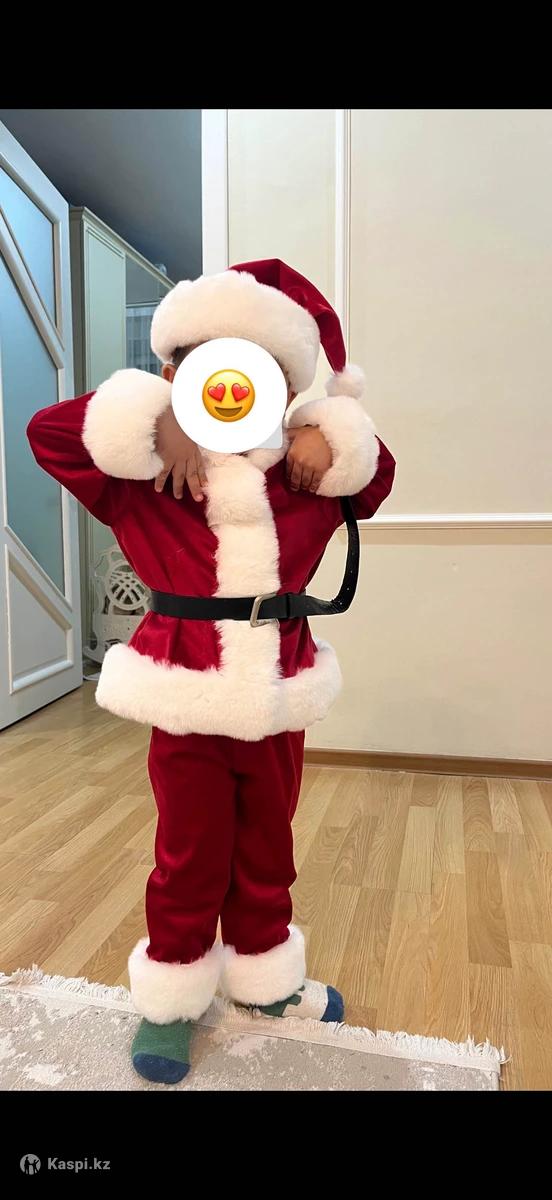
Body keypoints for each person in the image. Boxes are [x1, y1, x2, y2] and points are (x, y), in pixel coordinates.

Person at [27, 259, 396, 1084]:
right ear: (174, 374)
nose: (228, 387)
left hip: (277, 696)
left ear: (283, 387)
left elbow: (378, 471)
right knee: (189, 853)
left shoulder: (304, 480)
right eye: (201, 367)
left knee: (269, 847)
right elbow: (49, 432)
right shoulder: (146, 480)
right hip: (186, 697)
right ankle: (171, 1001)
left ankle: (267, 981)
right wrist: (153, 419)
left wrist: (326, 429)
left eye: (253, 370)